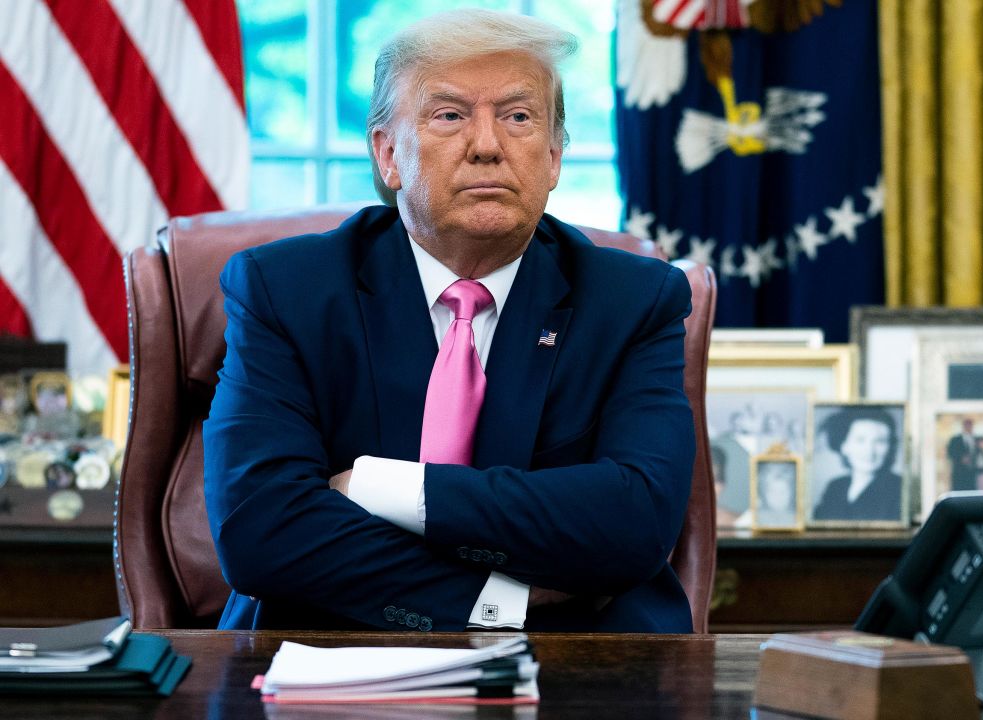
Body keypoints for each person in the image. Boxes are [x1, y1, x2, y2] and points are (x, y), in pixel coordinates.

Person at [203, 10, 695, 634]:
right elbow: (261, 530)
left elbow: (637, 520)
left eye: (518, 117)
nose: (488, 145)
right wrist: (497, 602)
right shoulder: (287, 291)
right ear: (388, 155)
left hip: (578, 658)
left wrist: (385, 489)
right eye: (450, 115)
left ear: (553, 157)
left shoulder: (633, 300)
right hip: (328, 645)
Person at [812, 407, 902, 521]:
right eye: (860, 440)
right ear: (844, 446)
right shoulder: (835, 487)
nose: (869, 451)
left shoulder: (898, 488)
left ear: (890, 447)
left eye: (880, 441)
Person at [946, 418, 978, 492]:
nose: (969, 427)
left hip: (972, 474)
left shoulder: (976, 439)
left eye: (970, 425)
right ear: (963, 426)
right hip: (959, 473)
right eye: (967, 425)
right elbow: (950, 453)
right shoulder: (955, 439)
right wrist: (960, 459)